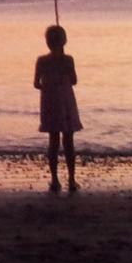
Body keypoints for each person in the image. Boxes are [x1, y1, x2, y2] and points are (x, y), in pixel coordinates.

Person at [34, 24, 82, 192]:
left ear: (47, 42)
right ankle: (71, 179)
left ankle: (55, 180)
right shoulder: (68, 60)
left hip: (49, 102)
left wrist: (49, 87)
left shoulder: (41, 60)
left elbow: (36, 84)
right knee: (68, 140)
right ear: (64, 41)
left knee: (53, 141)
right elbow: (74, 80)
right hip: (66, 101)